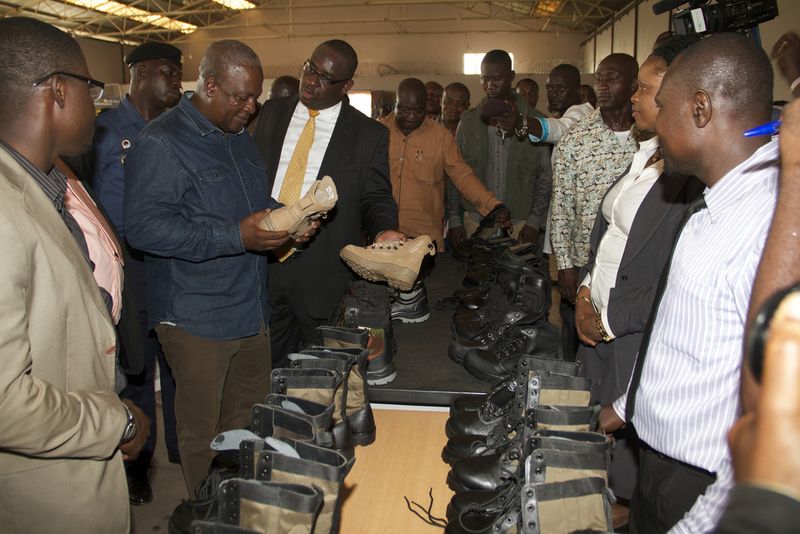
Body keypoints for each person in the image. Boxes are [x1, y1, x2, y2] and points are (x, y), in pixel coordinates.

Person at [599, 34, 779, 532]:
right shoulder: (707, 208)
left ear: (700, 109)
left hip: (702, 486)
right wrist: (625, 404)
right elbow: (681, 338)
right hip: (657, 466)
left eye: (662, 105)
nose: (654, 121)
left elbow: (773, 437)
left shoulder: (767, 230)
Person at [124, 40, 299, 496]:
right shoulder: (162, 141)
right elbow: (143, 229)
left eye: (254, 96)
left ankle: (245, 508)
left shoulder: (237, 134)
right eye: (239, 97)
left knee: (249, 427)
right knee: (205, 437)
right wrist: (235, 236)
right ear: (208, 85)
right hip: (196, 318)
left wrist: (289, 218)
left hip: (250, 310)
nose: (250, 106)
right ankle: (208, 515)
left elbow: (251, 204)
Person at [0, 17, 149, 532]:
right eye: (93, 89)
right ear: (59, 92)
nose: (98, 104)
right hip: (42, 499)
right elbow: (5, 403)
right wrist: (119, 420)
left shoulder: (46, 187)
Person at [574, 36, 703, 502]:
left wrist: (607, 320)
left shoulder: (691, 180)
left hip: (632, 338)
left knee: (628, 480)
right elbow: (609, 236)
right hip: (598, 323)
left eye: (644, 88)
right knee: (589, 455)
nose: (633, 95)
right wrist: (586, 292)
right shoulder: (643, 155)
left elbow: (674, 285)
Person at [253, 39, 401, 368]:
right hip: (263, 266)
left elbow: (376, 196)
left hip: (323, 275)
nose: (310, 81)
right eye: (310, 68)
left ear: (346, 85)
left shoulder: (368, 134)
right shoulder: (272, 113)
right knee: (266, 373)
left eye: (324, 78)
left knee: (326, 375)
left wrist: (384, 230)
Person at [91, 40, 183, 505]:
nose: (177, 83)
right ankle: (137, 462)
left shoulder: (179, 128)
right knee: (137, 368)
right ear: (140, 73)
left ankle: (183, 452)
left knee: (178, 360)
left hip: (174, 263)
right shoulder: (104, 131)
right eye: (169, 72)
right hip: (129, 265)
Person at [550, 53, 638, 361]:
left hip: (634, 264)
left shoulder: (651, 140)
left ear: (634, 85)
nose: (602, 85)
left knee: (624, 348)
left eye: (612, 78)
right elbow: (560, 207)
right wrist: (564, 265)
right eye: (599, 77)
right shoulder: (575, 141)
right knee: (577, 348)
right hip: (585, 264)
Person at [379, 78, 509, 250]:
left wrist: (492, 205)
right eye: (404, 109)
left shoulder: (440, 137)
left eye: (417, 110)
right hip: (382, 234)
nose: (411, 116)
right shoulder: (377, 132)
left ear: (426, 106)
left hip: (423, 237)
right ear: (395, 103)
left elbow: (462, 175)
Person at [452, 49, 550, 246]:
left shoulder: (534, 121)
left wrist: (534, 221)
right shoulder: (468, 122)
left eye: (497, 78)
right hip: (477, 220)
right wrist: (455, 220)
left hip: (520, 223)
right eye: (485, 79)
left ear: (512, 77)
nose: (490, 85)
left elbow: (545, 176)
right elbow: (455, 173)